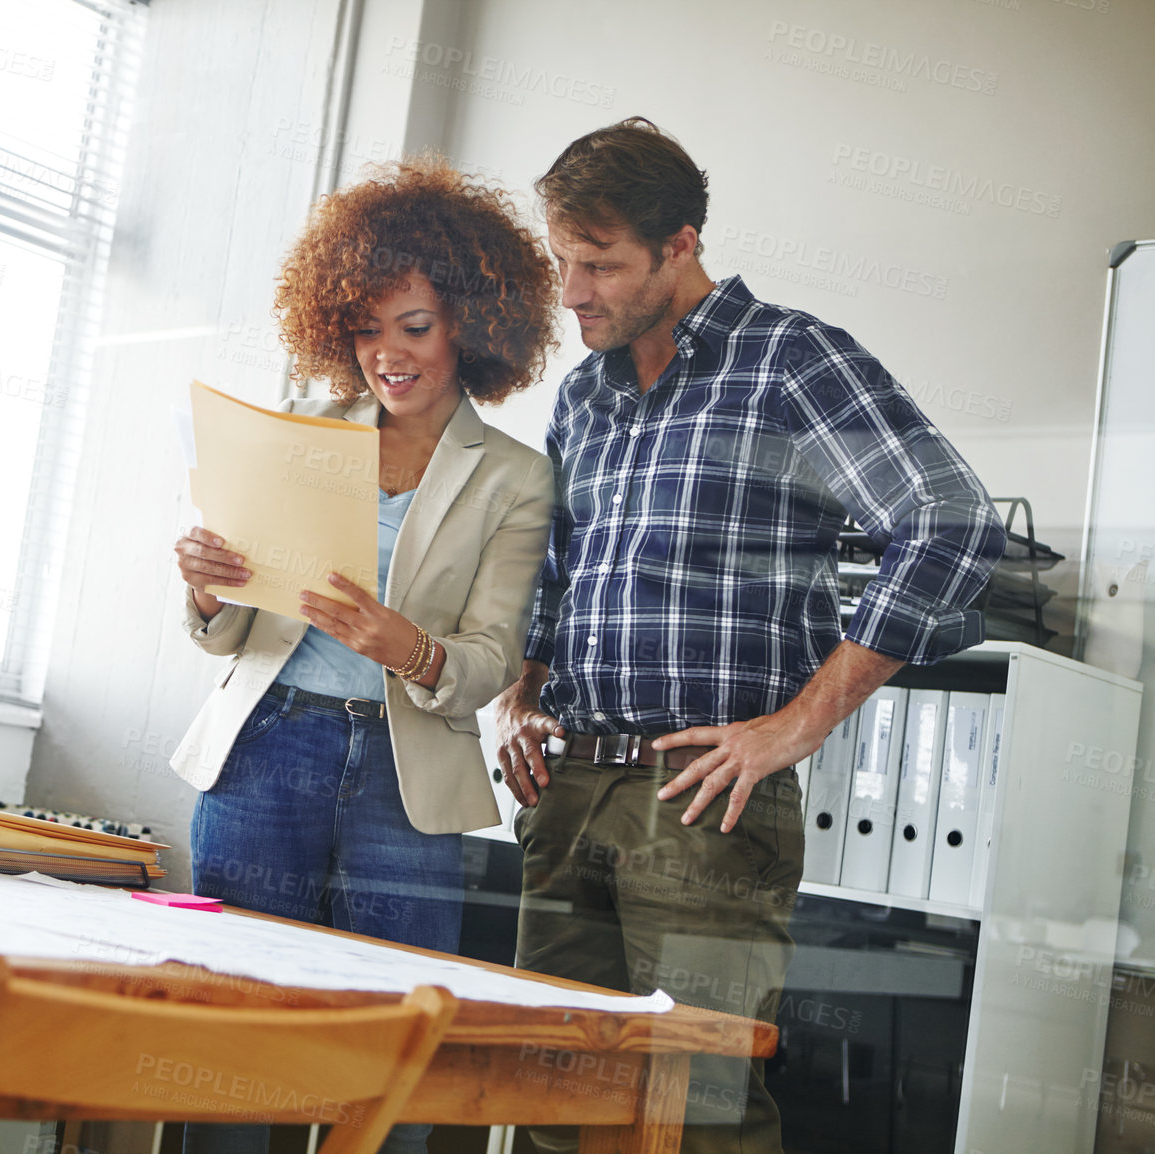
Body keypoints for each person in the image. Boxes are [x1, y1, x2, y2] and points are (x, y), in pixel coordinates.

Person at [493, 119, 1006, 1154]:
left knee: (697, 1113)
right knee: (551, 1101)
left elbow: (950, 521)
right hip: (567, 784)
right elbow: (561, 563)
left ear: (678, 245)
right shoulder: (584, 393)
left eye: (599, 264)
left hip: (701, 798)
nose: (573, 291)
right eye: (561, 262)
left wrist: (797, 724)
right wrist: (522, 686)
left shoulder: (788, 359)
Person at [169, 158, 558, 1154]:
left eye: (414, 326)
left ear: (471, 322)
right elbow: (231, 629)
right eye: (367, 327)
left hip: (405, 775)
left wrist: (408, 644)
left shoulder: (514, 478)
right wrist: (209, 585)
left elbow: (487, 663)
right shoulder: (299, 436)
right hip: (266, 753)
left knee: (386, 1053)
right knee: (233, 1035)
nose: (388, 352)